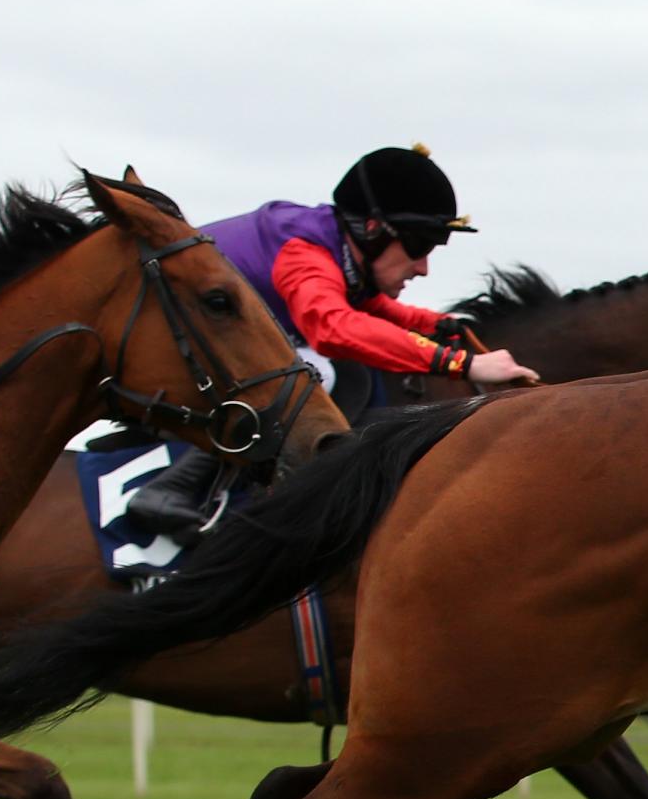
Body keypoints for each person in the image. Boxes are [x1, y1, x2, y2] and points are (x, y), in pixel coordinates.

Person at [122, 144, 539, 538]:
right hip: (160, 347)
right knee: (312, 372)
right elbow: (334, 328)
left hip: (204, 342)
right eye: (419, 245)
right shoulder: (305, 253)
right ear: (373, 228)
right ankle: (170, 489)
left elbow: (370, 307)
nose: (424, 267)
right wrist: (461, 365)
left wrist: (438, 324)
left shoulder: (336, 245)